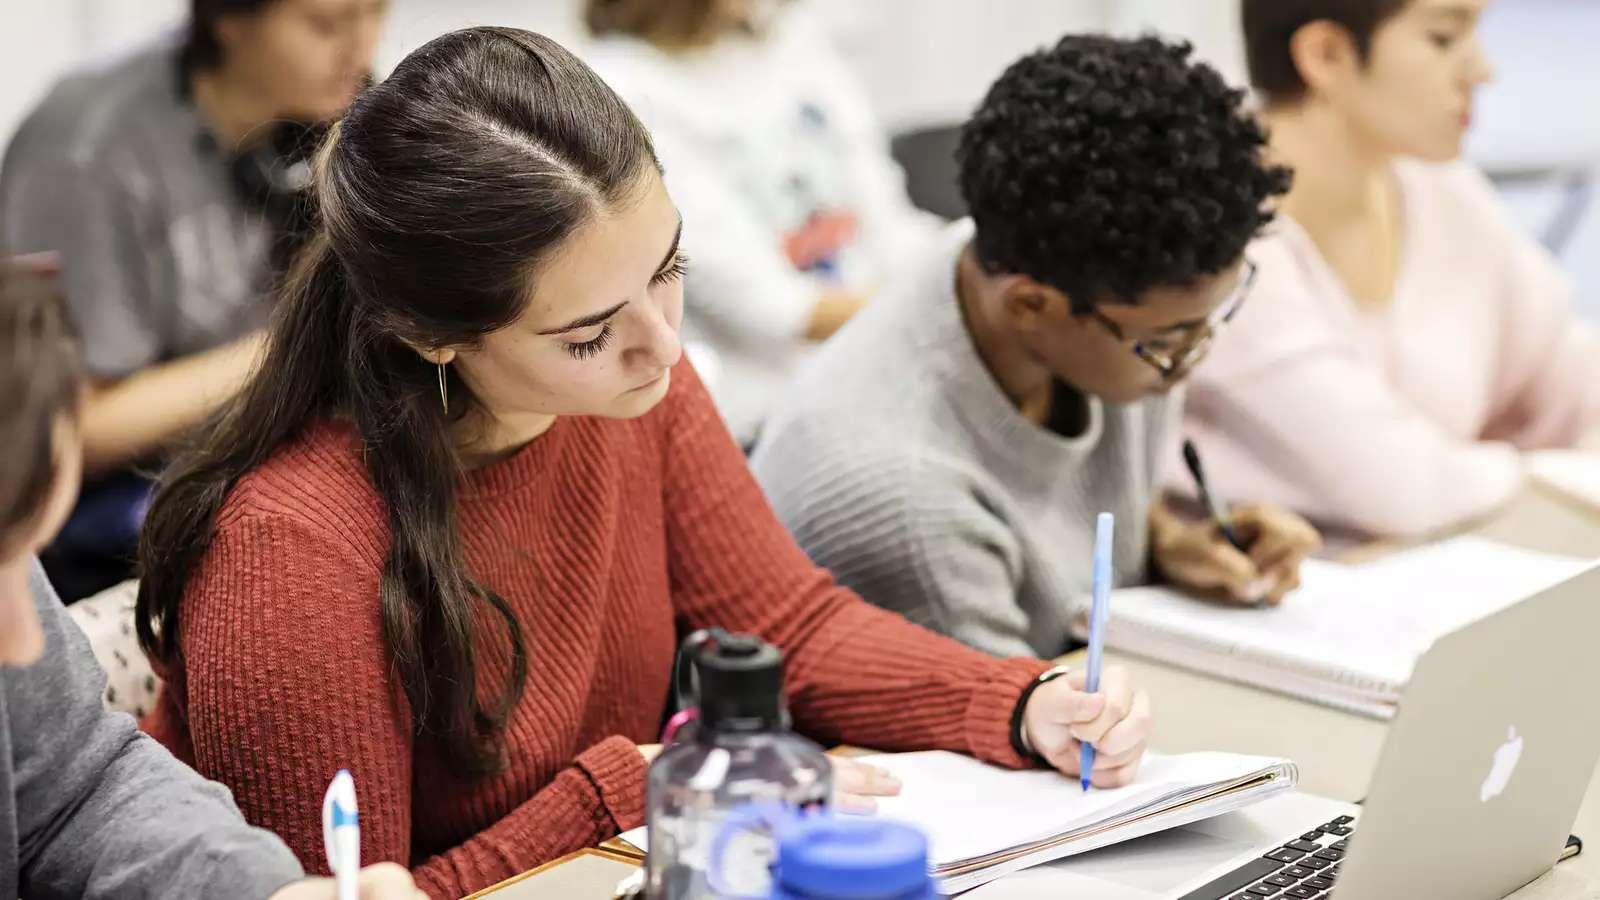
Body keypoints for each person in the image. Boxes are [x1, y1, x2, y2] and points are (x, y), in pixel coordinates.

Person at [132, 28, 1154, 899]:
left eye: (671, 274)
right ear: (431, 333)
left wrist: (1017, 705)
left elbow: (785, 623)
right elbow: (354, 894)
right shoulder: (287, 554)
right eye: (586, 333)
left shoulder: (631, 387)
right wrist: (634, 786)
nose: (663, 349)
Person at [750, 35, 1322, 660]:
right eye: (1169, 343)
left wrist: (1167, 545)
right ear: (1030, 305)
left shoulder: (1062, 275)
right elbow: (1012, 729)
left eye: (1214, 318)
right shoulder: (900, 497)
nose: (1193, 358)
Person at [0, 260, 422, 899]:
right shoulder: (285, 549)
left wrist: (267, 892)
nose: (26, 646)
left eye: (23, 562)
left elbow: (73, 794)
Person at [0, 0, 387, 599]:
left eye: (378, 11)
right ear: (226, 18)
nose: (361, 48)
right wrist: (295, 345)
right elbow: (72, 429)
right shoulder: (82, 158)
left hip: (245, 451)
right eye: (327, 23)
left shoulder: (327, 105)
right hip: (102, 536)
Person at [1181, 0, 1600, 539]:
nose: (1483, 70)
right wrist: (1555, 477)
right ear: (1326, 55)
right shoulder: (1221, 241)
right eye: (1444, 39)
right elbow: (1406, 491)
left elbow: (1573, 375)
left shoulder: (1439, 189)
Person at [583, 0, 941, 444]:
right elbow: (774, 312)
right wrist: (945, 297)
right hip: (772, 418)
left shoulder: (796, 42)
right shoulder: (622, 87)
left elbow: (892, 227)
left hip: (887, 362)